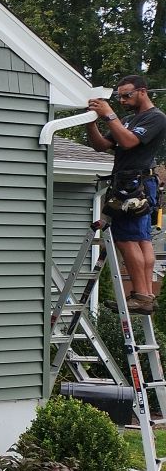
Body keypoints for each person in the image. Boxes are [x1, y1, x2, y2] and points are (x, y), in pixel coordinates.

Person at [86, 75, 166, 313]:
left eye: (126, 95)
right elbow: (102, 145)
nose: (122, 100)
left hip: (134, 184)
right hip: (132, 182)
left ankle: (141, 295)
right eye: (119, 96)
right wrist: (92, 122)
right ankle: (147, 295)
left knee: (128, 239)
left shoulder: (156, 118)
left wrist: (109, 114)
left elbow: (129, 142)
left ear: (142, 91)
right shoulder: (130, 119)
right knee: (141, 240)